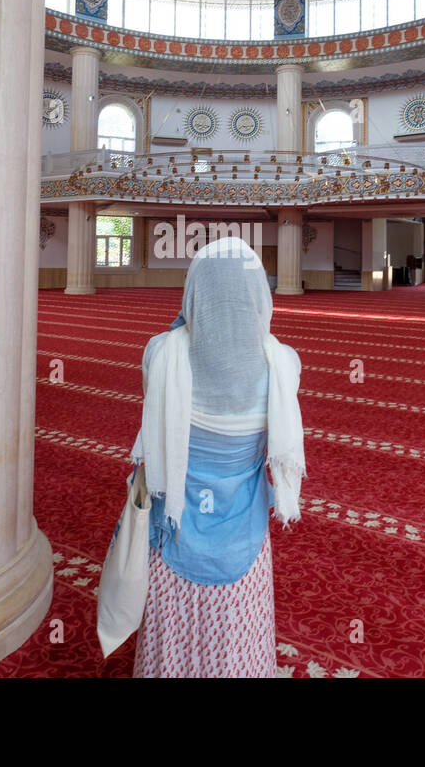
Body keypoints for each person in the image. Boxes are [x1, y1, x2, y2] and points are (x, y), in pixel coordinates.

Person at [130, 236, 306, 678]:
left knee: (175, 634)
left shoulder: (160, 353)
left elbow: (175, 341)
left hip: (175, 521)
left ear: (193, 291)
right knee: (234, 641)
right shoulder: (284, 363)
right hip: (241, 529)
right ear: (259, 295)